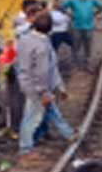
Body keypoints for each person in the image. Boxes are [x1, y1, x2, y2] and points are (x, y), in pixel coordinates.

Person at [16, 12, 74, 155]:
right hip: (37, 87)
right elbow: (42, 72)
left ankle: (69, 133)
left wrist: (60, 87)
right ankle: (25, 147)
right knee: (31, 117)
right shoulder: (42, 46)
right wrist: (45, 93)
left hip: (26, 82)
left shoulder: (25, 39)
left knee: (51, 111)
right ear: (50, 28)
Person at [63, 0, 102, 70]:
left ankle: (87, 64)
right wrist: (70, 14)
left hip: (89, 27)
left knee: (88, 46)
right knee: (76, 46)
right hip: (76, 27)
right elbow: (62, 7)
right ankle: (75, 64)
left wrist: (95, 14)